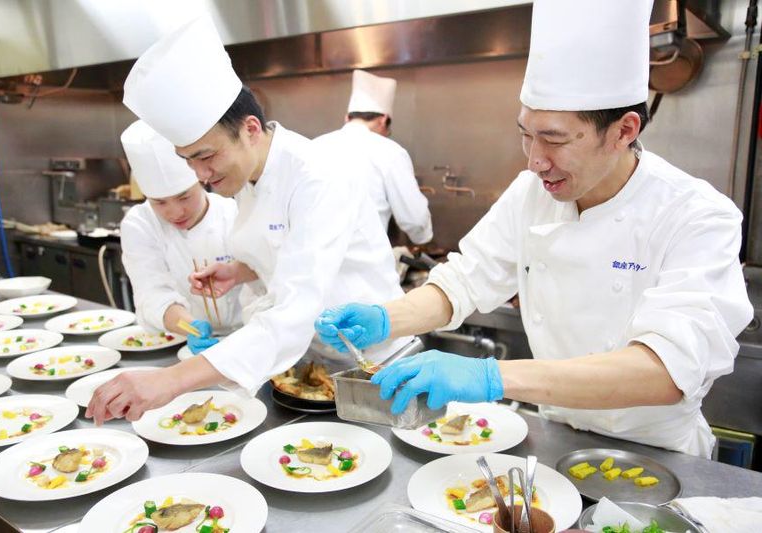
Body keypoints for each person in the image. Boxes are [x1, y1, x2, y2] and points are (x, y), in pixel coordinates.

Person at [314, 0, 754, 457]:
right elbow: (464, 281)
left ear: (624, 131)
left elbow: (665, 371)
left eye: (554, 139)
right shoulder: (532, 194)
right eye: (526, 134)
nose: (535, 161)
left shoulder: (697, 216)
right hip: (555, 441)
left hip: (657, 455)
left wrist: (490, 377)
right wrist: (387, 318)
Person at [86, 15, 410, 425]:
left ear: (251, 129)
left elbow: (295, 308)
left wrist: (170, 380)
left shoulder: (319, 175)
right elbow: (282, 250)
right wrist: (242, 270)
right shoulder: (247, 176)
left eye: (206, 156)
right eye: (189, 161)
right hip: (311, 362)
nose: (201, 175)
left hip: (372, 365)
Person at [120, 120, 242, 346]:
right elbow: (152, 293)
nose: (175, 212)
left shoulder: (234, 213)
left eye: (184, 197)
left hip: (245, 337)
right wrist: (190, 327)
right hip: (181, 339)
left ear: (201, 181)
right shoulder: (140, 223)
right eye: (159, 202)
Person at [314, 70, 433, 245]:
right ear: (383, 120)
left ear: (347, 118)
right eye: (387, 131)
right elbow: (415, 219)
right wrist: (423, 237)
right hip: (365, 259)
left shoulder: (314, 147)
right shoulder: (390, 152)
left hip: (314, 258)